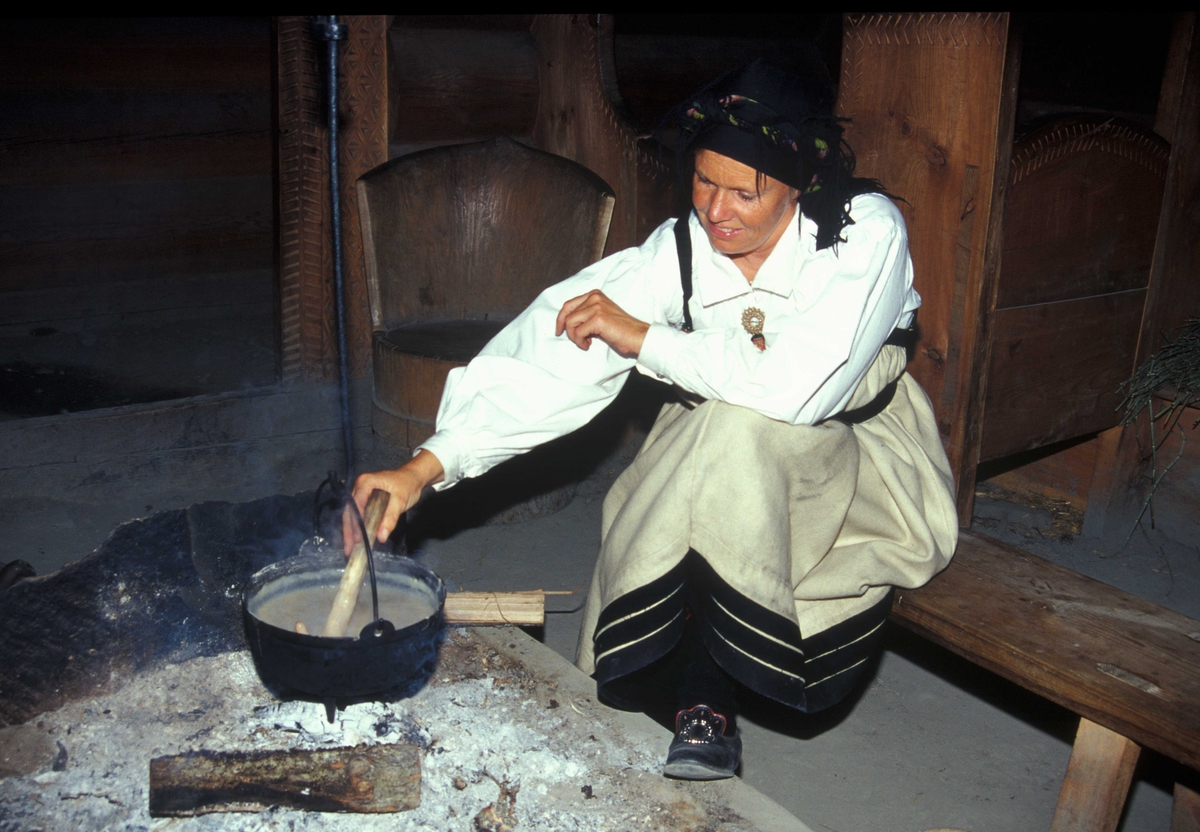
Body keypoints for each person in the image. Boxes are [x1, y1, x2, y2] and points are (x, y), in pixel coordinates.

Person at [349, 60, 957, 780]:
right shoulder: (683, 250)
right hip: (716, 451)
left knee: (734, 437)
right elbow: (556, 347)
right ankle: (706, 705)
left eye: (745, 192)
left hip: (854, 459)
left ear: (801, 186)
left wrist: (647, 339)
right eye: (705, 181)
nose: (717, 210)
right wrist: (427, 466)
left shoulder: (861, 235)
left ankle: (703, 696)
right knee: (719, 444)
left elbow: (800, 392)